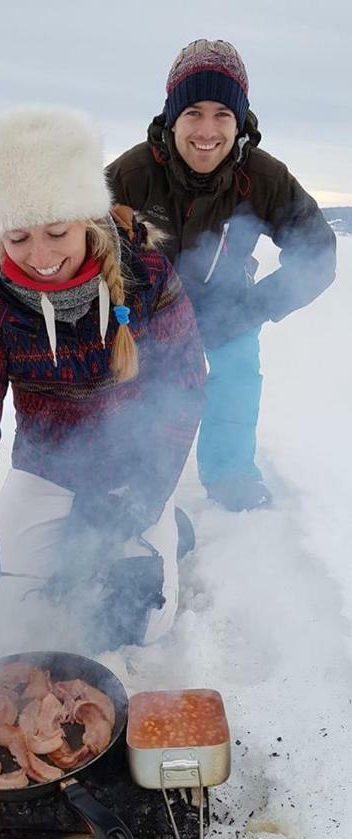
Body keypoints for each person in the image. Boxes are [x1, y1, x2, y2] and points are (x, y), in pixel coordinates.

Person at [0, 106, 205, 651]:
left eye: (57, 230)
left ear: (84, 215)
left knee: (140, 627)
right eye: (17, 238)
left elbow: (185, 388)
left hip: (136, 472)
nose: (40, 257)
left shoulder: (147, 274)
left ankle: (166, 525)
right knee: (9, 613)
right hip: (47, 470)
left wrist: (144, 496)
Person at [107, 39, 336, 512]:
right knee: (135, 388)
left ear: (240, 120)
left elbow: (317, 253)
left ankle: (231, 473)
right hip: (147, 314)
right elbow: (81, 245)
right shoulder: (132, 174)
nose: (206, 130)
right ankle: (127, 472)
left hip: (227, 308)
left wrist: (250, 310)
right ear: (172, 116)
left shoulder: (263, 177)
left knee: (234, 378)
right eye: (193, 112)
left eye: (222, 114)